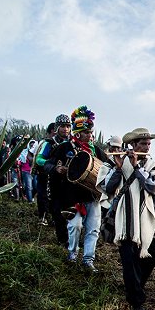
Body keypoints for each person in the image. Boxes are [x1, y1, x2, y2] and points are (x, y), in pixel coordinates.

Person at [103, 128, 155, 310]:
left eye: (148, 144)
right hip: (126, 220)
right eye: (142, 144)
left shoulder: (152, 164)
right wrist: (120, 168)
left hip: (149, 219)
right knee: (130, 261)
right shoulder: (119, 163)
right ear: (133, 145)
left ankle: (135, 286)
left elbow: (153, 187)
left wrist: (137, 168)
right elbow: (108, 188)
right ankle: (136, 302)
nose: (146, 147)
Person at [45, 106, 107, 271]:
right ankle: (72, 256)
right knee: (75, 226)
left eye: (91, 132)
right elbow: (48, 164)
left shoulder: (97, 152)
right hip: (72, 197)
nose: (90, 135)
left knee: (93, 229)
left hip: (92, 197)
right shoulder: (64, 148)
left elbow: (108, 168)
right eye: (86, 132)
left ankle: (88, 260)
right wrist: (56, 169)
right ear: (78, 133)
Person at [41, 115, 72, 244]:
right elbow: (39, 159)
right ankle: (62, 240)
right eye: (63, 126)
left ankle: (72, 239)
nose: (66, 129)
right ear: (57, 128)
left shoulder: (74, 143)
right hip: (54, 181)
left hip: (70, 183)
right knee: (57, 210)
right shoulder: (49, 143)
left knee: (71, 211)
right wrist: (55, 167)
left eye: (68, 126)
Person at [33, 122, 56, 225]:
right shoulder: (44, 143)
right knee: (43, 195)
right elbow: (36, 158)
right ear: (52, 130)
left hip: (55, 175)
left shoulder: (64, 143)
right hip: (43, 174)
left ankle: (54, 218)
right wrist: (47, 164)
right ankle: (43, 217)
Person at [96, 135, 124, 217]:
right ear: (109, 148)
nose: (115, 150)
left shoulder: (126, 161)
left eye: (118, 148)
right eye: (113, 147)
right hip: (110, 203)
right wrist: (117, 168)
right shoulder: (106, 164)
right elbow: (106, 187)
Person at [18, 138, 37, 202]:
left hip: (34, 171)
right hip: (26, 171)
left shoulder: (36, 152)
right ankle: (30, 201)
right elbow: (20, 161)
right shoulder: (24, 152)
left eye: (33, 145)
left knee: (36, 186)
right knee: (29, 187)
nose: (32, 146)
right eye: (31, 145)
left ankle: (31, 197)